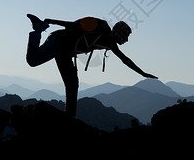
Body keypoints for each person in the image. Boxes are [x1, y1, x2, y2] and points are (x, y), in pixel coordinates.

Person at [25, 14, 157, 116]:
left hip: (65, 53)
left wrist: (143, 73)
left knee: (72, 82)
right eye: (126, 36)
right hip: (59, 40)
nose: (126, 40)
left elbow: (124, 59)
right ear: (119, 33)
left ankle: (70, 115)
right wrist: (52, 21)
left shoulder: (109, 42)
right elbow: (74, 25)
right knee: (33, 60)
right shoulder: (101, 27)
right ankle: (38, 29)